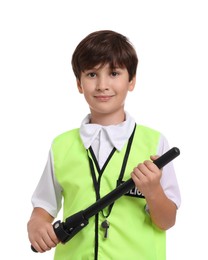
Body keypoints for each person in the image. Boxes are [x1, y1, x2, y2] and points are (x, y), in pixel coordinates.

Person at [27, 30, 181, 260]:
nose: (102, 85)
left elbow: (167, 221)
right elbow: (44, 207)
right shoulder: (61, 146)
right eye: (91, 74)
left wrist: (153, 191)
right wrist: (36, 224)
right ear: (79, 83)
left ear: (132, 80)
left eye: (114, 73)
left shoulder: (155, 143)